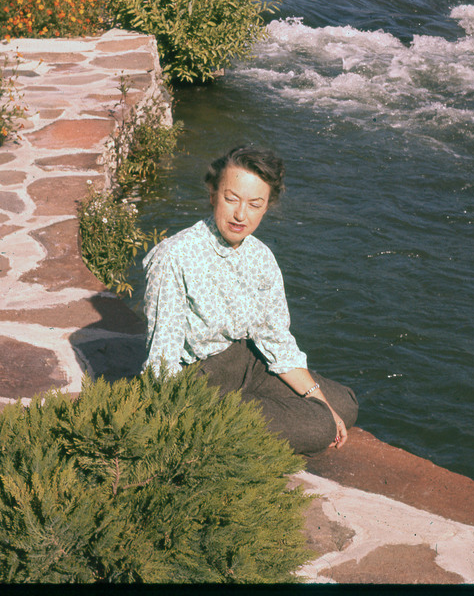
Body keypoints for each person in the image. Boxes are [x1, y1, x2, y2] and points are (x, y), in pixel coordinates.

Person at [142, 145, 358, 455]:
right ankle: (225, 423)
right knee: (320, 426)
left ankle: (260, 414)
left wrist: (319, 399)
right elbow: (162, 358)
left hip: (247, 362)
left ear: (267, 206)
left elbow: (275, 340)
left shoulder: (261, 257)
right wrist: (171, 416)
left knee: (344, 405)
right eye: (231, 199)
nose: (241, 215)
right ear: (213, 193)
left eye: (255, 204)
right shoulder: (174, 257)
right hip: (202, 379)